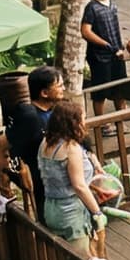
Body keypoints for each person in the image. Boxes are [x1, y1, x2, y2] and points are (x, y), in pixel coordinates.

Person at [36, 101, 111, 244]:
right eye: (82, 119)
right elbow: (79, 186)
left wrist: (93, 161)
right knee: (80, 258)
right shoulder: (71, 148)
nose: (85, 123)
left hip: (51, 207)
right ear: (73, 123)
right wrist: (97, 212)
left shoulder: (45, 143)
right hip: (70, 210)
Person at [0, 66, 62, 217]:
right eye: (59, 86)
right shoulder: (29, 117)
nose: (63, 88)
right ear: (44, 93)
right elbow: (2, 145)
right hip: (41, 182)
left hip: (61, 178)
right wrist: (4, 176)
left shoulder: (56, 111)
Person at [80, 0, 128, 94]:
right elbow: (85, 31)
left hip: (116, 53)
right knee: (100, 93)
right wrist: (104, 44)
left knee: (121, 90)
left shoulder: (112, 5)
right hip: (99, 56)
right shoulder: (91, 7)